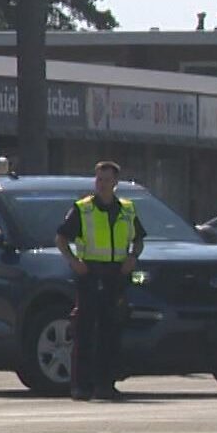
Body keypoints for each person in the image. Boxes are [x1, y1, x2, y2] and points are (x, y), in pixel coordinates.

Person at [55, 160, 146, 401]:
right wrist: (74, 261)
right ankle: (81, 386)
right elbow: (61, 238)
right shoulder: (83, 209)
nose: (101, 184)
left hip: (116, 275)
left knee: (111, 329)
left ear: (115, 182)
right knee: (85, 330)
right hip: (91, 273)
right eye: (98, 179)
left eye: (106, 179)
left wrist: (133, 257)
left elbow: (138, 239)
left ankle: (106, 384)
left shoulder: (127, 209)